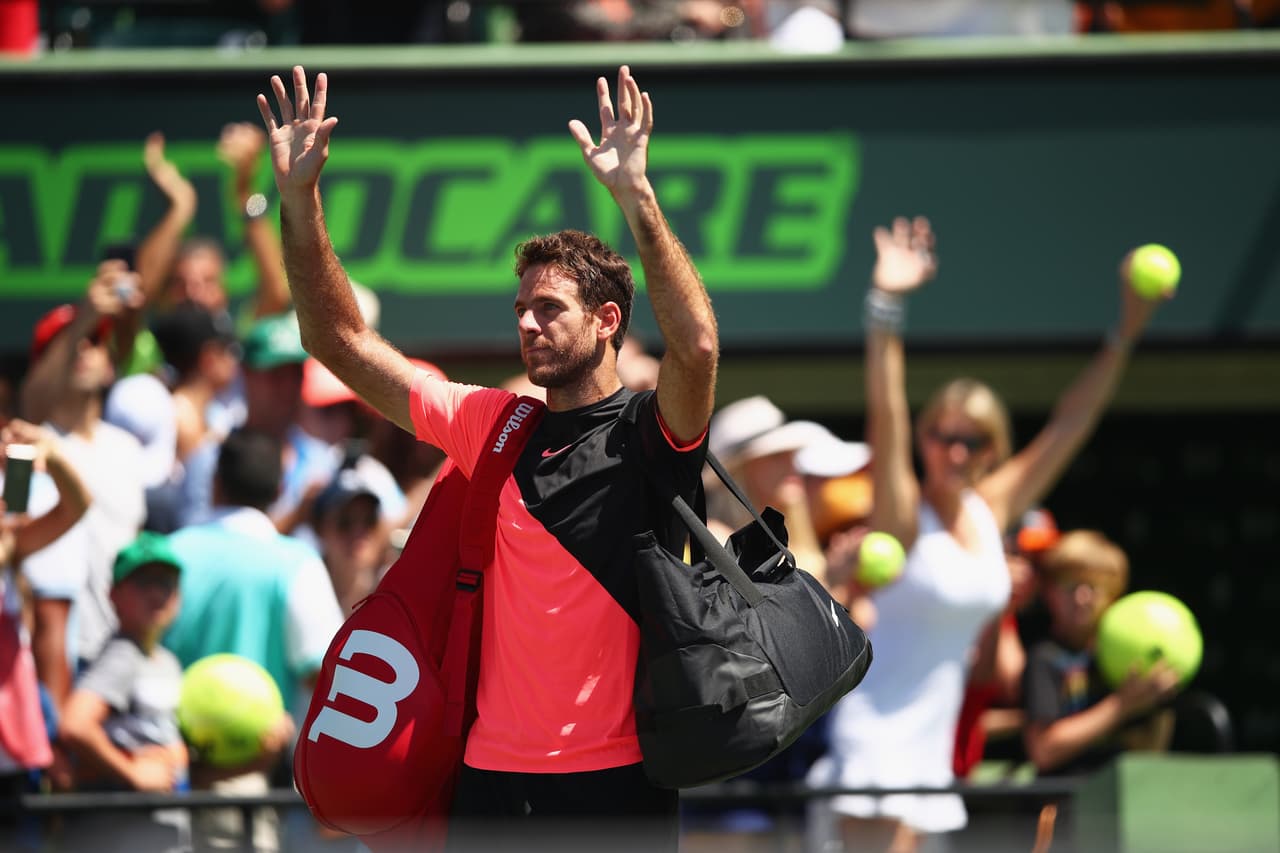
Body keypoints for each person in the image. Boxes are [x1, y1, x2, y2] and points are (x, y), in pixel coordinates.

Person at [256, 63, 718, 849]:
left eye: (549, 308)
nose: (529, 325)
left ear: (607, 320)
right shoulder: (493, 424)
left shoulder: (653, 430)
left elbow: (698, 344)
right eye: (520, 310)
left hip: (618, 784)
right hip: (488, 784)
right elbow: (335, 340)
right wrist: (299, 200)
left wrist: (636, 194)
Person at [807, 216, 1171, 853]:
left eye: (970, 439)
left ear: (991, 450)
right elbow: (885, 411)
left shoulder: (989, 509)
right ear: (924, 441)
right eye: (940, 435)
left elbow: (1070, 425)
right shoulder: (902, 515)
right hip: (873, 740)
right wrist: (886, 303)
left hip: (932, 751)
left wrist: (1127, 330)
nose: (952, 449)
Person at [163, 427, 338, 853]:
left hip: (164, 777)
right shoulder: (296, 563)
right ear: (280, 489)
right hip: (252, 789)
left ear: (217, 484)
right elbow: (325, 679)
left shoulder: (166, 556)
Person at [57, 533, 190, 853]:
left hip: (161, 833)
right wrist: (131, 771)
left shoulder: (167, 660)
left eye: (168, 583)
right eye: (144, 582)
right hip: (122, 834)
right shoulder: (122, 654)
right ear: (113, 594)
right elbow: (75, 725)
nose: (158, 593)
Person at [1021, 530, 1180, 776]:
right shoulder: (1044, 657)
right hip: (1063, 805)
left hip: (1124, 799)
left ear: (1113, 595)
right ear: (1049, 593)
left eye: (1093, 587)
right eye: (1069, 585)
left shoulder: (1129, 658)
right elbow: (1044, 750)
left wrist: (1158, 697)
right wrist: (1121, 705)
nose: (1082, 597)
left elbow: (1151, 751)